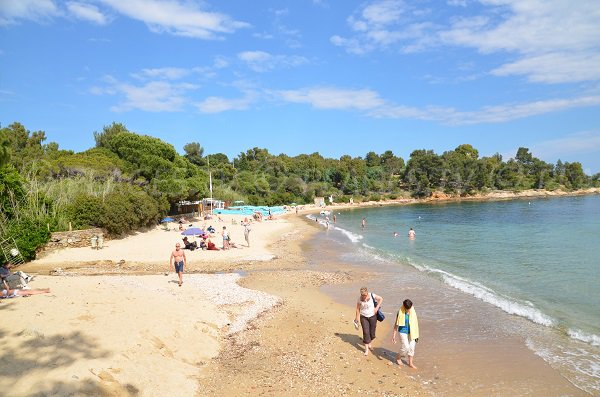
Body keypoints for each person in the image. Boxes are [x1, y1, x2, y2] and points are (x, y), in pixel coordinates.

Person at [354, 287, 383, 356]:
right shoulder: (359, 299)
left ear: (367, 293)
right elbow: (358, 309)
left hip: (373, 316)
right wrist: (357, 318)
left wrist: (377, 308)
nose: (364, 296)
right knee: (366, 332)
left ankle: (370, 342)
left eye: (365, 295)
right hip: (363, 317)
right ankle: (366, 349)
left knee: (372, 333)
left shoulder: (372, 295)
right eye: (362, 295)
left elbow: (381, 299)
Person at [391, 299, 420, 369]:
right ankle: (398, 357)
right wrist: (393, 335)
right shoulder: (400, 312)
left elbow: (415, 323)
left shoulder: (413, 311)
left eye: (409, 308)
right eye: (407, 309)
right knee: (406, 347)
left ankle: (410, 363)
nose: (408, 310)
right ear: (404, 307)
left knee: (412, 347)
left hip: (412, 331)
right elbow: (396, 324)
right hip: (403, 331)